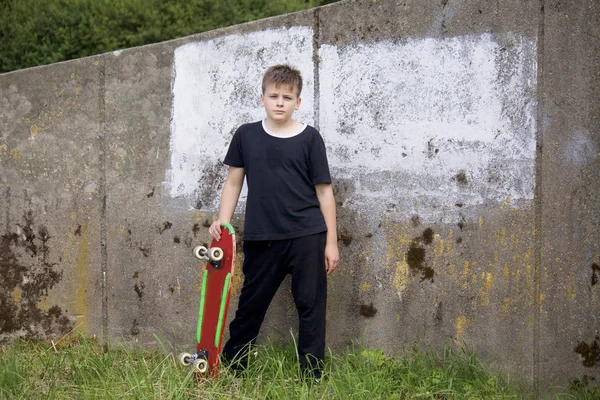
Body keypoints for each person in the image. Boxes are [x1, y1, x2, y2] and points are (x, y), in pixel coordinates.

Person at [208, 64, 339, 380]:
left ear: (298, 102)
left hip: (307, 235)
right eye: (274, 96)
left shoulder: (310, 138)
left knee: (311, 308)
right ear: (262, 98)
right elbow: (233, 183)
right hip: (262, 237)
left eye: (287, 97)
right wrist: (223, 224)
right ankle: (234, 367)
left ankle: (311, 376)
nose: (280, 102)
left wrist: (331, 242)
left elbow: (324, 193)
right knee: (250, 307)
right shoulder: (246, 135)